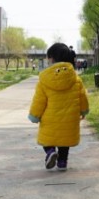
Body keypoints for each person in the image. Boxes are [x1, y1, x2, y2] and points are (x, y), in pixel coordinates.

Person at [28, 43, 89, 171]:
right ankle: (62, 163)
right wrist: (84, 111)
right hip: (69, 119)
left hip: (50, 119)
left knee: (47, 140)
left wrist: (34, 115)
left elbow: (39, 101)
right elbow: (82, 97)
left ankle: (50, 152)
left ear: (51, 58)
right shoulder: (76, 79)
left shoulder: (44, 79)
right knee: (64, 142)